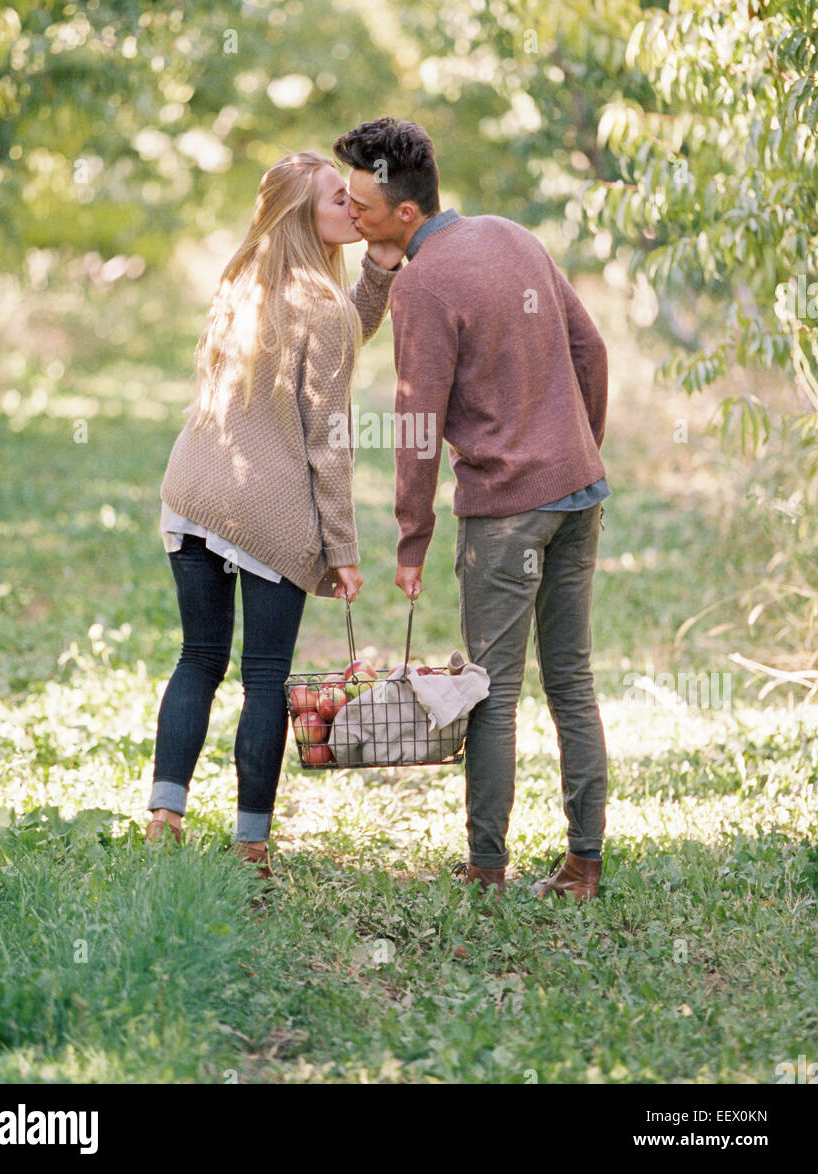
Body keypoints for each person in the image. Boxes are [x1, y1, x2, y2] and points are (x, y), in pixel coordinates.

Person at [333, 117, 610, 899]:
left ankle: (486, 869)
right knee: (571, 681)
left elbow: (418, 422)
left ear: (405, 214)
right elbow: (590, 348)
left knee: (490, 691)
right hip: (578, 492)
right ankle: (583, 865)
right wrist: (577, 448)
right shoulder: (510, 236)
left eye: (361, 206)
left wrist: (411, 537)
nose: (350, 216)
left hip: (503, 513)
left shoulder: (424, 284)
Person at [145, 152, 403, 873]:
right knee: (264, 676)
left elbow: (343, 338)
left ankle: (165, 813)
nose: (354, 209)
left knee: (198, 658)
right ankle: (251, 842)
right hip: (263, 508)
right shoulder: (320, 310)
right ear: (302, 217)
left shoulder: (243, 286)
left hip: (192, 492)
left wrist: (376, 273)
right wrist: (342, 549)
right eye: (336, 203)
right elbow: (329, 444)